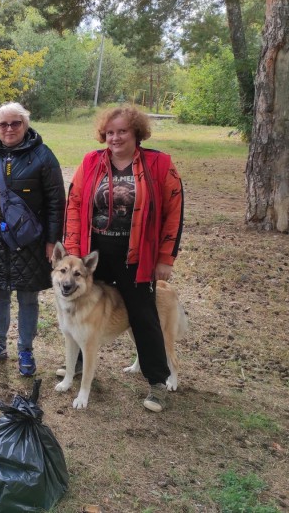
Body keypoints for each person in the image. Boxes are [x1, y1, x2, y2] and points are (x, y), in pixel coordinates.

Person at [62, 105, 183, 412]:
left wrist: (165, 257)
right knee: (79, 310)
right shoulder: (91, 162)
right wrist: (75, 253)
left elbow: (173, 213)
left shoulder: (159, 163)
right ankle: (76, 368)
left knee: (143, 315)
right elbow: (74, 204)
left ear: (136, 133)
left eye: (122, 131)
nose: (115, 138)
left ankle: (158, 381)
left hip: (136, 256)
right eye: (110, 132)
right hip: (94, 257)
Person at [0, 102, 65, 376]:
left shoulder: (44, 156)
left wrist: (52, 241)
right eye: (3, 124)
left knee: (28, 297)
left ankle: (25, 348)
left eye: (15, 123)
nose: (9, 129)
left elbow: (57, 202)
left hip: (31, 241)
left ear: (25, 124)